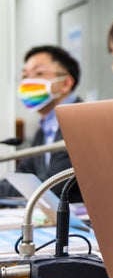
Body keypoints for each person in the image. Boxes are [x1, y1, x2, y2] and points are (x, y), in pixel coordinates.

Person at [0, 45, 82, 201]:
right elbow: (23, 177)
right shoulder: (45, 128)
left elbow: (52, 187)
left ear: (65, 84)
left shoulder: (81, 122)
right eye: (25, 76)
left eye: (39, 73)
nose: (28, 81)